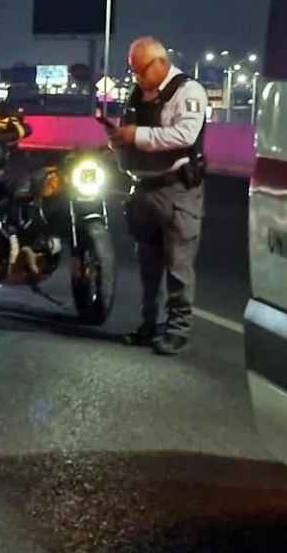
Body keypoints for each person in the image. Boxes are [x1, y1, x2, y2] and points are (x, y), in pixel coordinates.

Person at [110, 37, 208, 356]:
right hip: (145, 189)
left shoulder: (188, 91)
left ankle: (178, 330)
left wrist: (135, 135)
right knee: (147, 265)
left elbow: (185, 134)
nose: (137, 78)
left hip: (177, 189)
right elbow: (129, 129)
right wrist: (119, 141)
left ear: (160, 63)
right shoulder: (138, 93)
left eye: (140, 71)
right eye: (133, 72)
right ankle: (148, 325)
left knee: (178, 265)